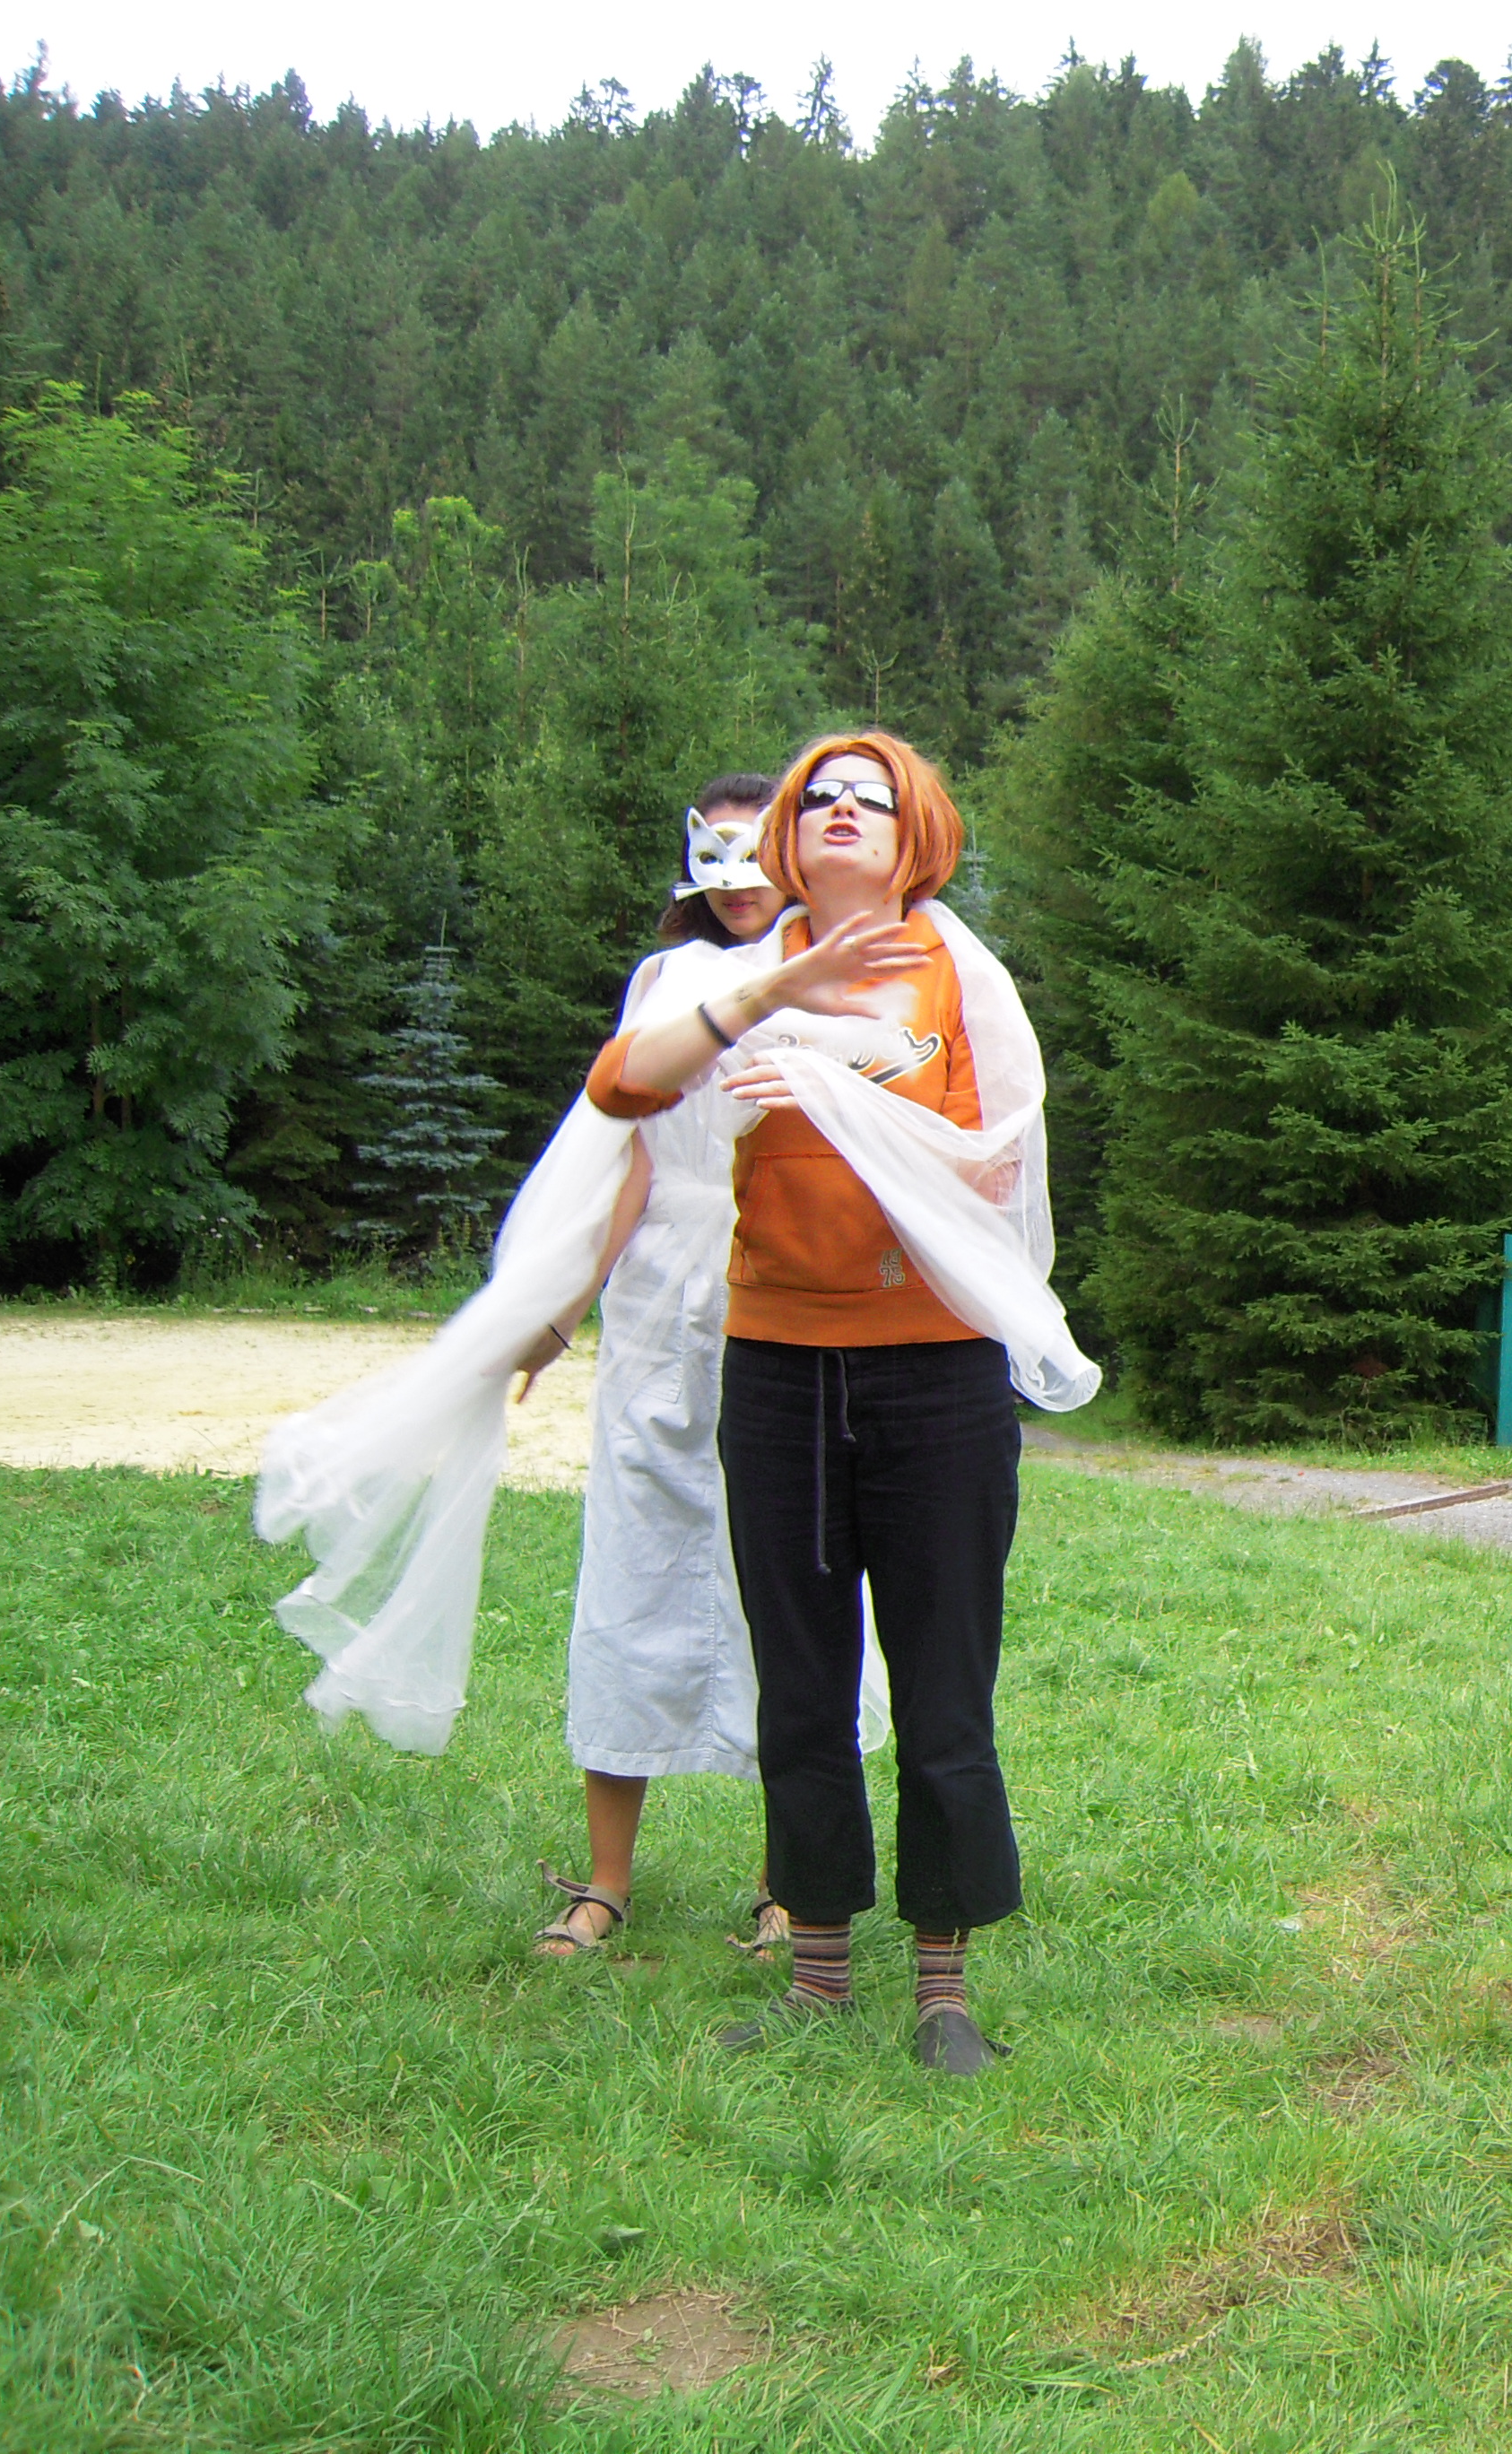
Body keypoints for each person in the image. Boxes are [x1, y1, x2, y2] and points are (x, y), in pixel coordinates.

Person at [581, 732, 1096, 2075]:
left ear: (915, 828)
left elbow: (996, 1170)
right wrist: (776, 997)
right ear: (788, 838)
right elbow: (621, 1087)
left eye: (873, 795)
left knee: (942, 1689)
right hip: (778, 1371)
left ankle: (943, 1988)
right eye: (820, 797)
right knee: (801, 1687)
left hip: (935, 1374)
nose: (844, 810)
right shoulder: (742, 977)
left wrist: (835, 1085)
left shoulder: (961, 976)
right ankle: (815, 1976)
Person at [519, 782, 883, 1961]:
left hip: (785, 1298)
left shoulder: (841, 977)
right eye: (713, 859)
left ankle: (789, 1881)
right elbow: (626, 1158)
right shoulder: (666, 983)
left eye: (753, 853)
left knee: (787, 1582)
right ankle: (605, 1882)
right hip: (657, 1313)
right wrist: (556, 1313)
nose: (734, 883)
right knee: (632, 1568)